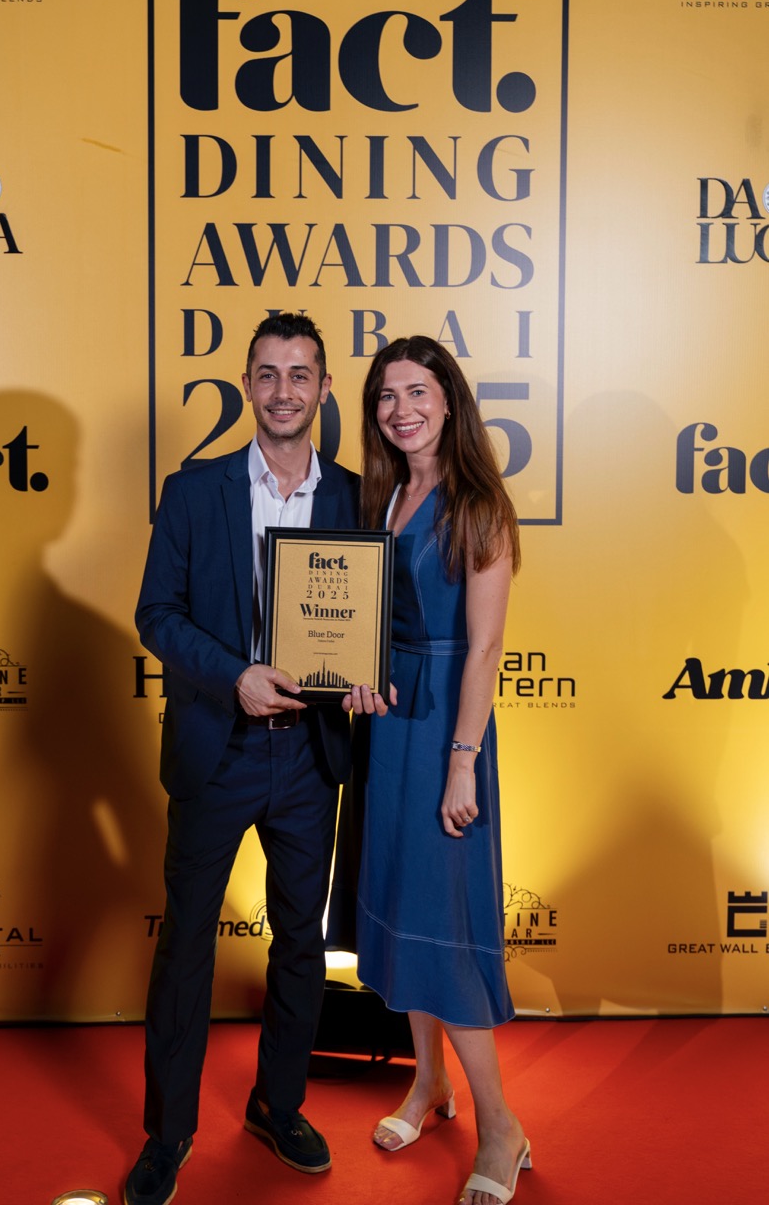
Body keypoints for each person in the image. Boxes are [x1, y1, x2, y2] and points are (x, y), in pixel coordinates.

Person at [126, 313, 363, 1205]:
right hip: (215, 751)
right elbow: (157, 615)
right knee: (186, 945)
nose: (282, 391)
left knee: (301, 943)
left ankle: (277, 1104)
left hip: (308, 755)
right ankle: (169, 1134)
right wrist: (235, 676)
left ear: (324, 389)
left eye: (300, 375)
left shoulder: (355, 498)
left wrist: (366, 674)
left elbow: (376, 622)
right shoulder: (194, 492)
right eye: (267, 374)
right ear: (246, 386)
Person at [345, 336, 529, 1205]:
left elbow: (484, 648)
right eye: (386, 396)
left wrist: (463, 764)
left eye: (417, 392)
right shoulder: (384, 494)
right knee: (402, 921)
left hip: (448, 734)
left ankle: (501, 1128)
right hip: (392, 726)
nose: (401, 410)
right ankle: (428, 1085)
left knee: (444, 933)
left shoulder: (478, 503)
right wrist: (359, 673)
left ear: (449, 399)